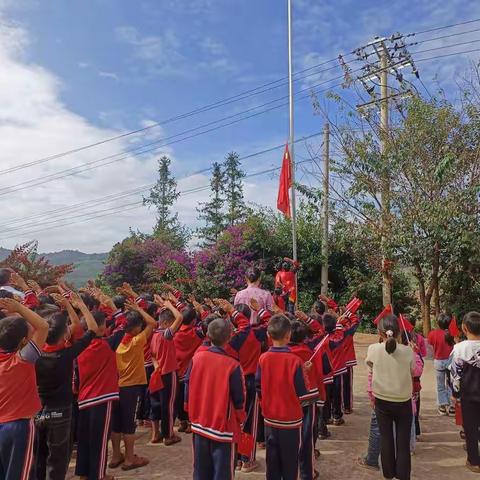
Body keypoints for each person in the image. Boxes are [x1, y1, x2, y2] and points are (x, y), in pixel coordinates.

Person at [34, 293, 98, 480]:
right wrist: (78, 305)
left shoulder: (33, 354)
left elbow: (74, 327)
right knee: (58, 460)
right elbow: (91, 328)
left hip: (38, 411)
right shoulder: (67, 354)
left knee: (39, 456)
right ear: (65, 334)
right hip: (61, 412)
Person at [186, 318, 246, 480]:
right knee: (223, 472)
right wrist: (241, 418)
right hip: (223, 427)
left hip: (199, 423)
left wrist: (189, 411)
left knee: (200, 469)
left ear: (207, 335)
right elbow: (239, 398)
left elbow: (187, 386)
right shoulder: (232, 365)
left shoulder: (196, 358)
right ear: (230, 337)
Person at [256, 314, 310, 480]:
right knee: (290, 463)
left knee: (272, 461)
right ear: (288, 336)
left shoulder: (263, 358)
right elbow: (302, 391)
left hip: (270, 418)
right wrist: (305, 373)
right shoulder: (295, 361)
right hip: (291, 420)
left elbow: (259, 386)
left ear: (268, 335)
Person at [0, 297, 49, 480]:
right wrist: (18, 307)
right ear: (22, 342)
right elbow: (43, 326)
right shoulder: (22, 360)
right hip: (18, 427)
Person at [75, 308, 125, 480]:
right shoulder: (106, 344)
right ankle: (98, 474)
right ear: (102, 328)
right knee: (100, 441)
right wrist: (112, 307)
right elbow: (123, 324)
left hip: (84, 399)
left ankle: (83, 474)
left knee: (85, 439)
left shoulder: (77, 346)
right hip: (103, 398)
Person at [366, 314, 416, 480]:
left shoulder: (373, 349)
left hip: (382, 400)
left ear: (380, 333)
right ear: (399, 331)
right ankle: (403, 475)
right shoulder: (408, 351)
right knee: (402, 442)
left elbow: (370, 366)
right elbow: (414, 371)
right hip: (403, 400)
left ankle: (388, 473)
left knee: (386, 437)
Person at [110, 301, 156, 471]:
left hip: (118, 387)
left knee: (117, 424)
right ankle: (130, 458)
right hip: (132, 387)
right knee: (129, 424)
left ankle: (116, 456)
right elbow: (152, 323)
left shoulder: (119, 343)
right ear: (136, 328)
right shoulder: (137, 341)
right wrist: (138, 309)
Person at [149, 298, 183, 445]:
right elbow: (180, 317)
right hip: (169, 372)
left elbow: (153, 355)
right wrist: (169, 305)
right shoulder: (166, 334)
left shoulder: (154, 335)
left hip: (158, 373)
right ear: (167, 323)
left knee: (157, 403)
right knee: (169, 405)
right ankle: (168, 435)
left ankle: (156, 433)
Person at [450, 311, 480, 473]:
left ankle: (474, 461)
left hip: (468, 394)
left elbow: (455, 375)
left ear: (464, 328)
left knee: (470, 427)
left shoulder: (459, 349)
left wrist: (455, 394)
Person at [427, 313, 456, 415]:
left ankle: (442, 406)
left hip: (438, 361)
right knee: (451, 384)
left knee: (440, 385)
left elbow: (430, 347)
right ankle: (452, 406)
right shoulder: (452, 333)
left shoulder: (432, 334)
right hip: (450, 362)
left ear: (438, 323)